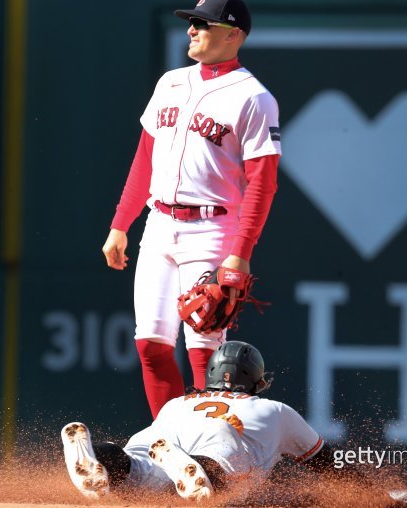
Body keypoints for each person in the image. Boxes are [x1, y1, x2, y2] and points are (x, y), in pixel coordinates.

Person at [101, 0, 281, 418]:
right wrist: (120, 224)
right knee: (150, 344)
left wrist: (241, 252)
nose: (191, 30)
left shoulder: (254, 98)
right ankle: (168, 445)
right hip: (159, 223)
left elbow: (263, 184)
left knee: (206, 355)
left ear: (233, 35)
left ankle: (209, 452)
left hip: (213, 228)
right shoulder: (170, 82)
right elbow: (145, 158)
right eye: (191, 22)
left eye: (203, 23)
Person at [61, 341, 332, 502]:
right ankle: (188, 464)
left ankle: (100, 455)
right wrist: (364, 493)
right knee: (219, 470)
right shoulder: (275, 410)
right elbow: (326, 462)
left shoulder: (177, 403)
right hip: (219, 432)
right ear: (257, 381)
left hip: (162, 436)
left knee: (134, 467)